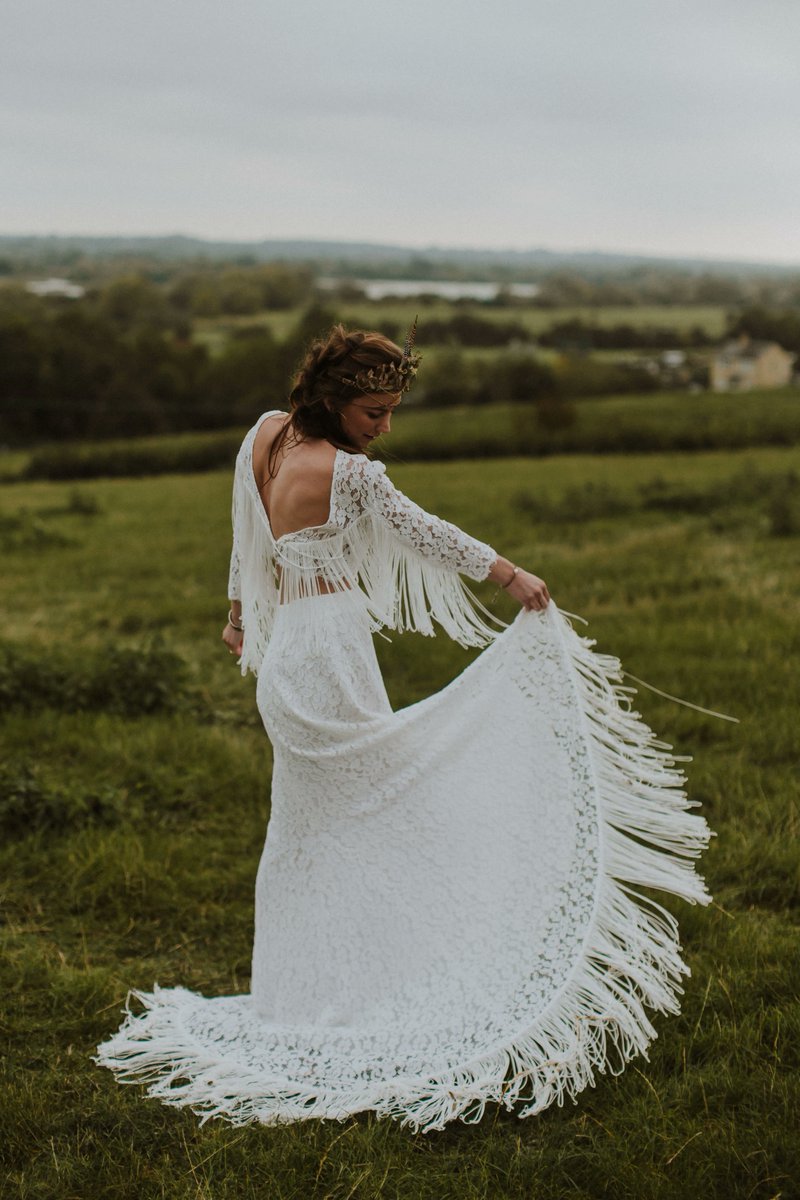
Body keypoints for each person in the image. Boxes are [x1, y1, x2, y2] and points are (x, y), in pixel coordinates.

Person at [97, 323, 711, 1133]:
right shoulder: (351, 475)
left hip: (289, 663)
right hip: (330, 658)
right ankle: (389, 978)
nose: (385, 427)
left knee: (313, 834)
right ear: (334, 400)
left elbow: (247, 533)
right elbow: (425, 531)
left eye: (391, 411)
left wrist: (240, 614)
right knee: (379, 818)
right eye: (374, 412)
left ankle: (308, 992)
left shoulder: (266, 436)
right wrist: (509, 574)